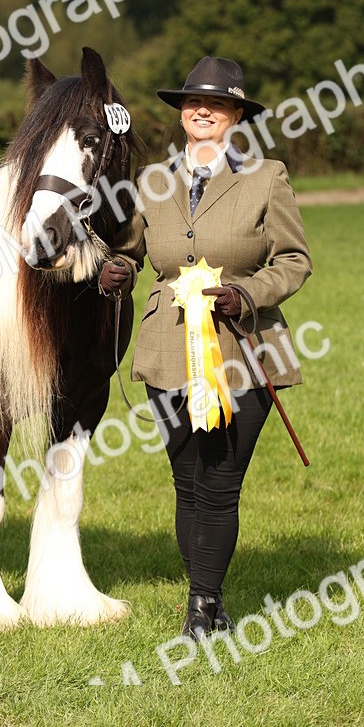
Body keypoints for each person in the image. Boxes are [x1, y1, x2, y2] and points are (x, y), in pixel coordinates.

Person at [99, 56, 312, 640]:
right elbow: (134, 250)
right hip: (168, 351)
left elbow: (295, 260)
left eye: (216, 105)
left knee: (219, 482)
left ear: (236, 115)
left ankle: (200, 609)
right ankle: (209, 604)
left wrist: (247, 292)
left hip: (244, 351)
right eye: (194, 103)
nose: (202, 111)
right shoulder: (152, 180)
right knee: (187, 481)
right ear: (181, 113)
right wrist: (116, 267)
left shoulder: (267, 176)